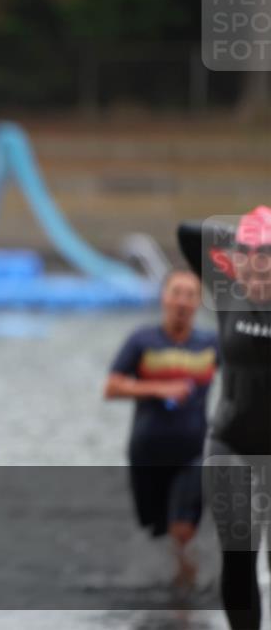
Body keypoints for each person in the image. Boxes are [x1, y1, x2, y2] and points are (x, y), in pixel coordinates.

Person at [178, 205, 271, 630]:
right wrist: (248, 235)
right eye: (249, 272)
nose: (257, 283)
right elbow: (188, 230)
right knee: (238, 555)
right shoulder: (223, 285)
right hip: (231, 444)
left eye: (267, 273)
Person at [104, 269, 219, 587]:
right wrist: (158, 389)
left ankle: (187, 590)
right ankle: (166, 589)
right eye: (176, 293)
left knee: (182, 530)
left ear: (198, 302)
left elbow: (247, 373)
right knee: (155, 532)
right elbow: (111, 388)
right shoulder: (142, 340)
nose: (182, 301)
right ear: (164, 298)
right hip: (147, 452)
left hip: (193, 453)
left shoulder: (210, 344)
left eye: (190, 294)